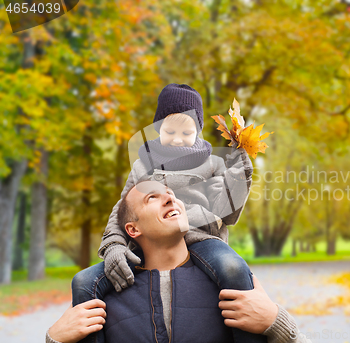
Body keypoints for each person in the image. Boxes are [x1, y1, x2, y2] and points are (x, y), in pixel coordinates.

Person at [72, 84, 261, 342]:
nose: (177, 138)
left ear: (198, 131)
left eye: (187, 131)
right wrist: (114, 245)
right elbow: (123, 209)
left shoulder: (212, 163)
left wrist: (239, 175)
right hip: (150, 239)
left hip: (200, 237)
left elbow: (227, 213)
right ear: (158, 128)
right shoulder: (143, 165)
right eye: (170, 131)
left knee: (233, 267)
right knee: (84, 281)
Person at [47, 182, 312, 343]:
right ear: (132, 229)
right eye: (152, 197)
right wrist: (54, 340)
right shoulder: (104, 300)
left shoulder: (232, 288)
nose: (170, 198)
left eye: (170, 193)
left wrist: (278, 324)